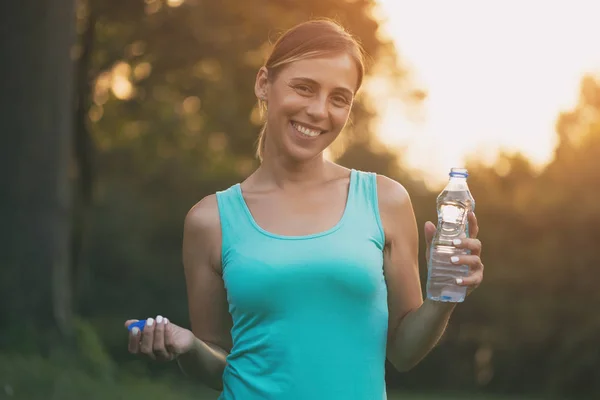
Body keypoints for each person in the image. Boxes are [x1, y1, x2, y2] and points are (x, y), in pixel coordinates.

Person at [124, 19, 484, 400]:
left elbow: (404, 353)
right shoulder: (210, 220)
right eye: (304, 88)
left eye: (339, 98)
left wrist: (443, 297)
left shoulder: (385, 201)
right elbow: (218, 367)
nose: (318, 110)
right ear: (264, 84)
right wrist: (187, 346)